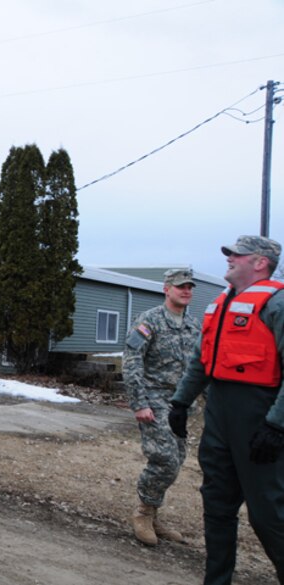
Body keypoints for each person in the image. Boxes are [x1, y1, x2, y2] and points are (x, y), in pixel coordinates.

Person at [169, 236, 284, 584]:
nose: (230, 259)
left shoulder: (277, 305)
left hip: (260, 416)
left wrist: (277, 426)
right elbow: (201, 361)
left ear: (260, 262)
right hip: (219, 413)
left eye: (238, 255)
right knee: (217, 505)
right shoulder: (221, 304)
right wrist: (180, 401)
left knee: (268, 515)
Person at [122, 268, 200, 545]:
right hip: (153, 399)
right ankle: (142, 512)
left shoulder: (193, 325)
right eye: (181, 286)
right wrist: (139, 403)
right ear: (166, 289)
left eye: (190, 286)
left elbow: (198, 367)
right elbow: (132, 362)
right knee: (164, 459)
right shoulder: (149, 321)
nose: (186, 290)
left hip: (180, 403)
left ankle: (153, 514)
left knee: (176, 460)